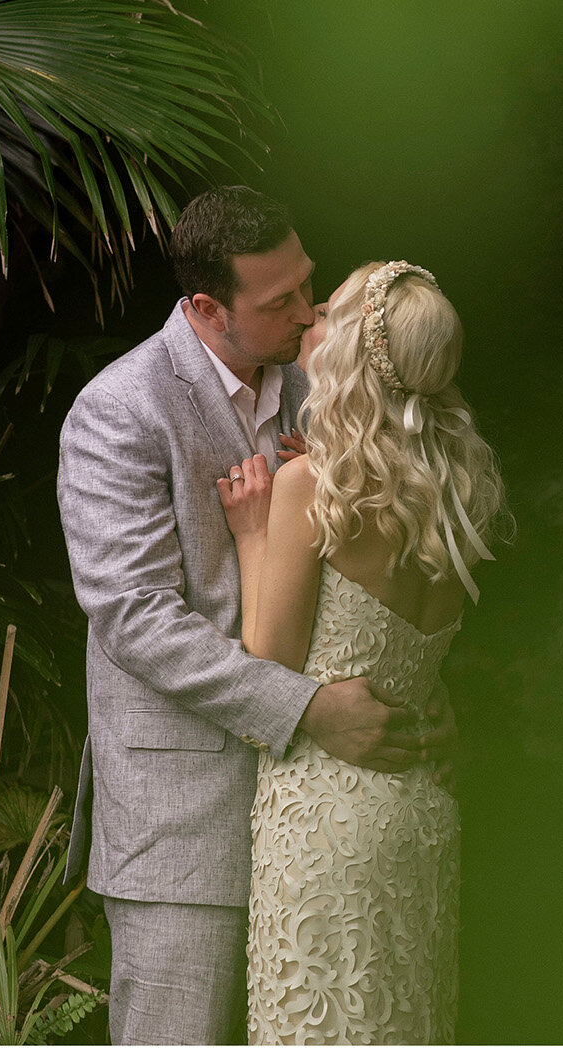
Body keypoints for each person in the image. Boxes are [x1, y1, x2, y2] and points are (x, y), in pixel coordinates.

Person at [58, 188, 456, 1045]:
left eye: (308, 285)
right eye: (280, 302)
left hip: (329, 824)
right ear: (207, 307)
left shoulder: (333, 380)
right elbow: (135, 619)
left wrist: (409, 683)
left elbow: (395, 551)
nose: (309, 312)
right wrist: (310, 708)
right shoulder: (119, 410)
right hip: (184, 824)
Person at [218, 260, 508, 1044]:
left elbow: (268, 663)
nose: (309, 317)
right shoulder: (462, 487)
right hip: (418, 806)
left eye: (326, 312)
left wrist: (251, 537)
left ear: (351, 350)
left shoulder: (312, 486)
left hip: (326, 816)